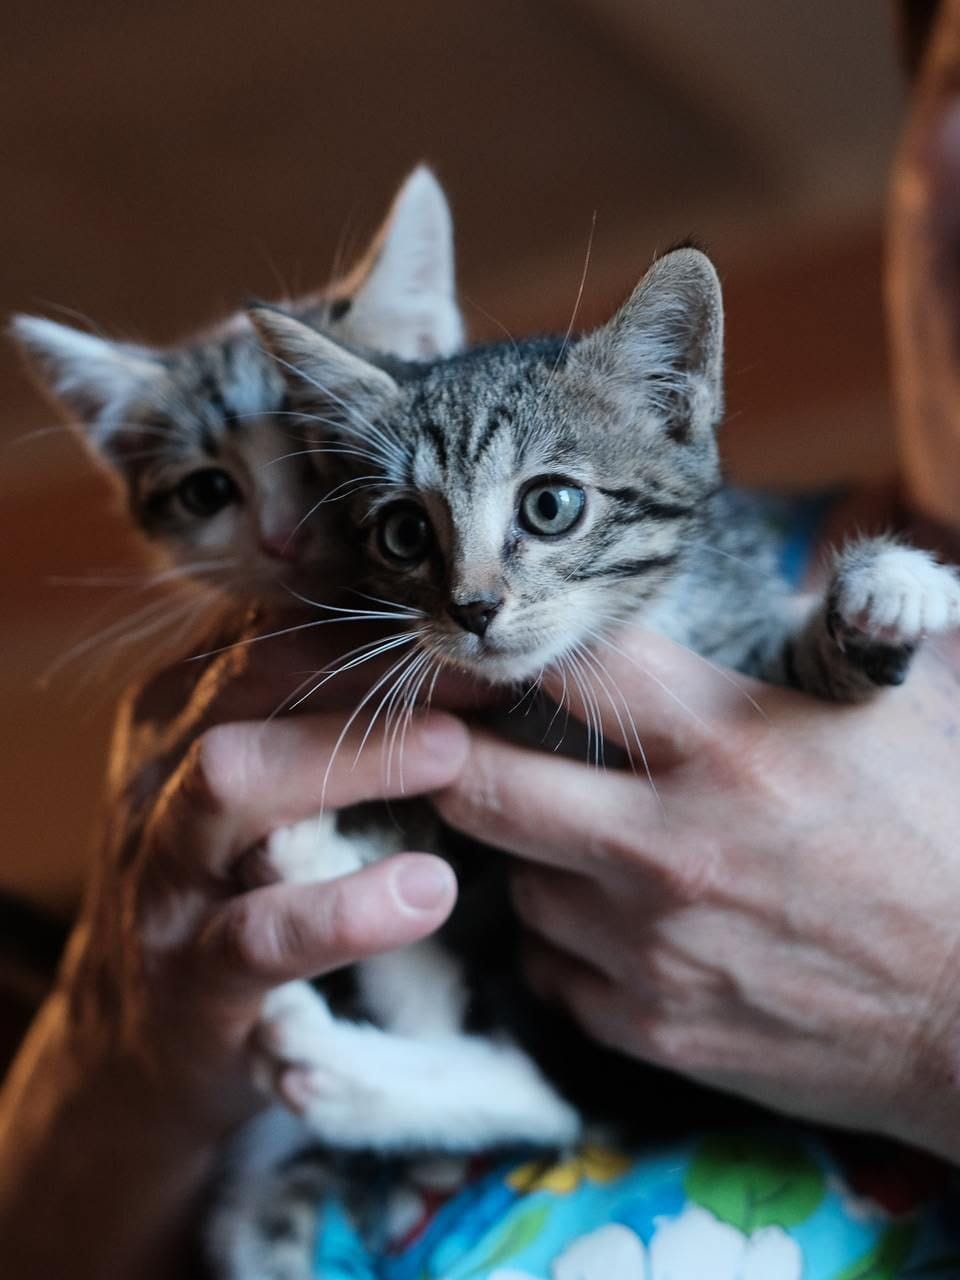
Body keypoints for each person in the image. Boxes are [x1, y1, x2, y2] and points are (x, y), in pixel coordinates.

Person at [4, 3, 960, 1275]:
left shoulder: (732, 588)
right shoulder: (398, 637)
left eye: (548, 509)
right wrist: (119, 1058)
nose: (476, 591)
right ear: (912, 121)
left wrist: (935, 1022)